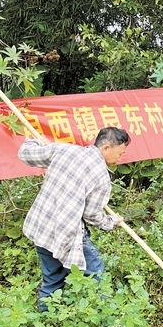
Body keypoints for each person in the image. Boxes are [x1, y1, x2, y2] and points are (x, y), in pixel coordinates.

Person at [18, 127, 130, 311]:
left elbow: (26, 154)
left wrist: (35, 141)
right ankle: (104, 317)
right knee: (95, 271)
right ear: (106, 148)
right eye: (120, 153)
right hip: (67, 233)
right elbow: (91, 215)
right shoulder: (101, 177)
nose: (120, 159)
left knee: (53, 278)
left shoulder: (64, 149)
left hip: (42, 228)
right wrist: (112, 222)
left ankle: (45, 318)